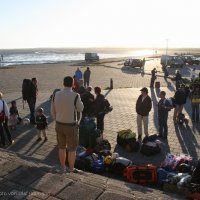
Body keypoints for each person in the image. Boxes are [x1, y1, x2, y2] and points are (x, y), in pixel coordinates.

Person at [51, 76, 84, 173]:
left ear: (63, 83)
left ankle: (62, 167)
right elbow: (80, 109)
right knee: (72, 149)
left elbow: (52, 111)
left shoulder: (56, 94)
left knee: (61, 147)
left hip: (59, 124)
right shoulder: (76, 95)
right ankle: (71, 169)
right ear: (73, 84)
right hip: (71, 126)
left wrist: (57, 118)